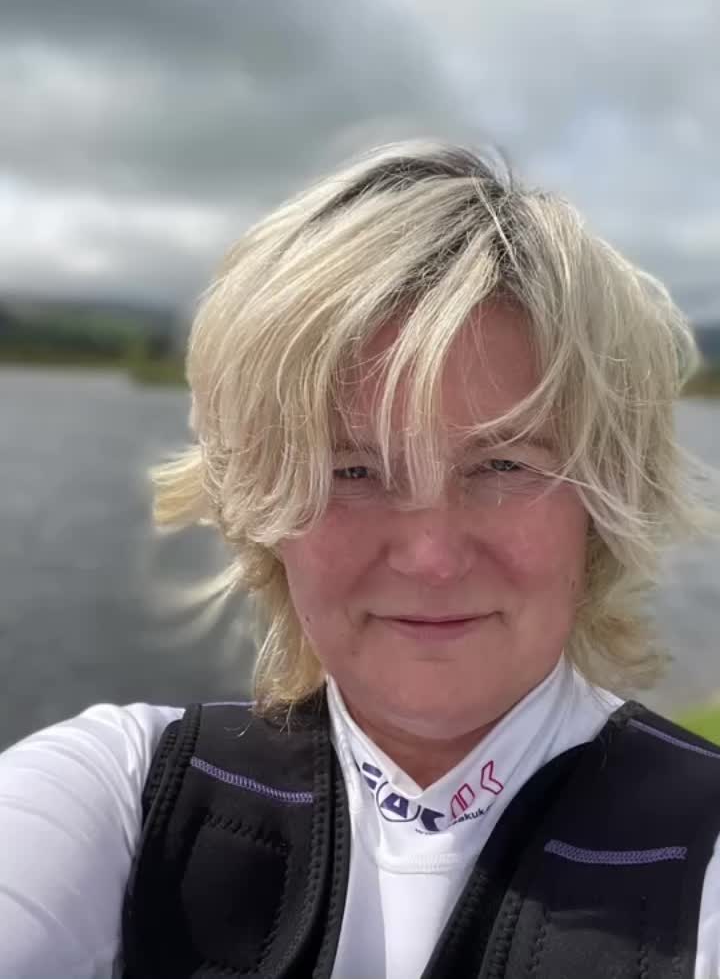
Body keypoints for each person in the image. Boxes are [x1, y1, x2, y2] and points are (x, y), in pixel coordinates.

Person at [1, 141, 719, 979]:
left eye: (502, 464)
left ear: (602, 500)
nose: (430, 555)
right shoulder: (124, 796)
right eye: (351, 470)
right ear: (264, 508)